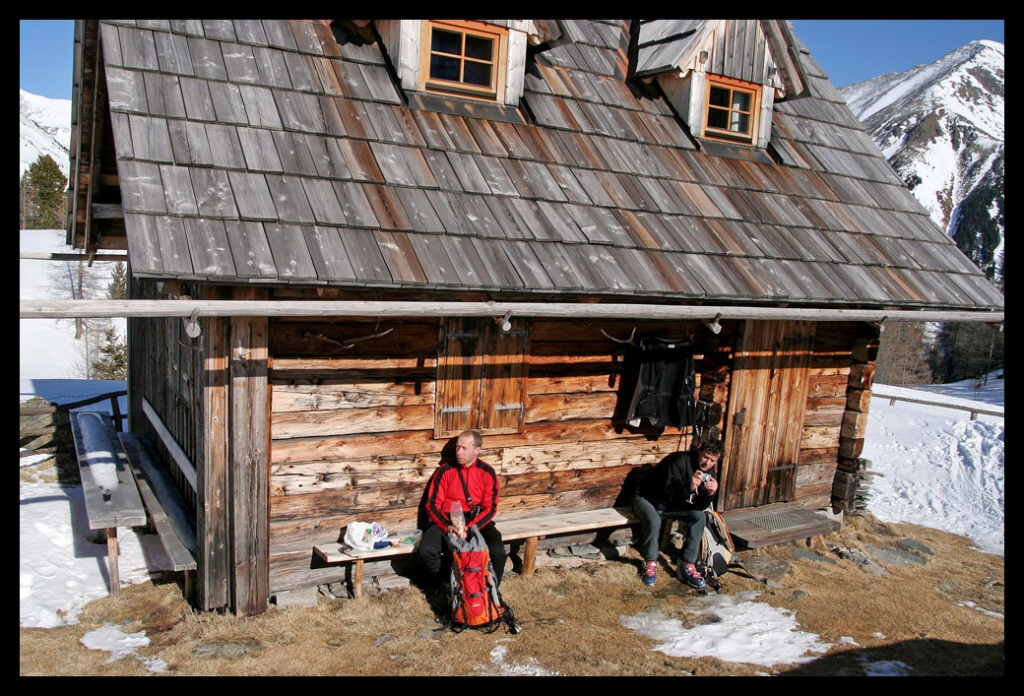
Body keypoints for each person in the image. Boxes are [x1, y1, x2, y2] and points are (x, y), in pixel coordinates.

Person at [419, 429, 507, 591]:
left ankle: (490, 589)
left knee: (498, 551)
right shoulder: (445, 471)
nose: (458, 452)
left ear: (477, 450)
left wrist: (470, 527)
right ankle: (444, 586)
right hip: (446, 519)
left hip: (476, 520)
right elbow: (432, 504)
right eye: (457, 447)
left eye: (464, 448)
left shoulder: (487, 473)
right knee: (427, 550)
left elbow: (490, 507)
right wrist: (447, 526)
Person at [631, 439, 724, 589]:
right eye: (706, 457)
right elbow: (666, 495)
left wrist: (710, 494)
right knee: (654, 521)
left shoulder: (709, 471)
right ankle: (650, 563)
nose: (708, 463)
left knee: (699, 517)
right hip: (647, 498)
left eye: (713, 460)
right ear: (699, 451)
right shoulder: (679, 461)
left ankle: (687, 563)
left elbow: (699, 506)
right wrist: (689, 487)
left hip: (671, 503)